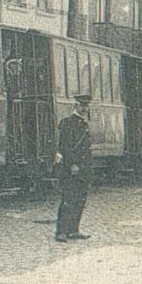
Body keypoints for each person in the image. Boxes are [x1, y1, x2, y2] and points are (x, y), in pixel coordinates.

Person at [55, 93, 94, 241]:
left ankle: (73, 229)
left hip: (83, 169)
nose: (84, 108)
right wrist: (72, 164)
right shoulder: (67, 122)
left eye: (86, 106)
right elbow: (65, 146)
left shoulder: (83, 123)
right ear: (75, 105)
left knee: (80, 199)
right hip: (72, 169)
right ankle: (61, 231)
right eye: (82, 105)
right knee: (68, 199)